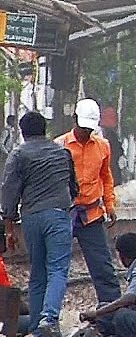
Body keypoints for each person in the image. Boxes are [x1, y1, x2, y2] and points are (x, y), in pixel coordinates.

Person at [1, 111, 78, 337]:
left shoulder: (18, 155)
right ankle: (49, 318)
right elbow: (73, 187)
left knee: (38, 272)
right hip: (57, 215)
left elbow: (9, 191)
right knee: (57, 269)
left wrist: (9, 227)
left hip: (32, 218)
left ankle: (35, 326)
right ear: (45, 130)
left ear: (23, 133)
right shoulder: (63, 152)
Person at [54, 98, 122, 305]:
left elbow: (106, 177)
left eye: (89, 128)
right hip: (64, 214)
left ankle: (111, 312)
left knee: (103, 267)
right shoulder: (59, 145)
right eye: (83, 127)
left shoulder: (103, 146)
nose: (86, 132)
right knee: (55, 268)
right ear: (75, 119)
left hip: (91, 215)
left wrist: (109, 204)